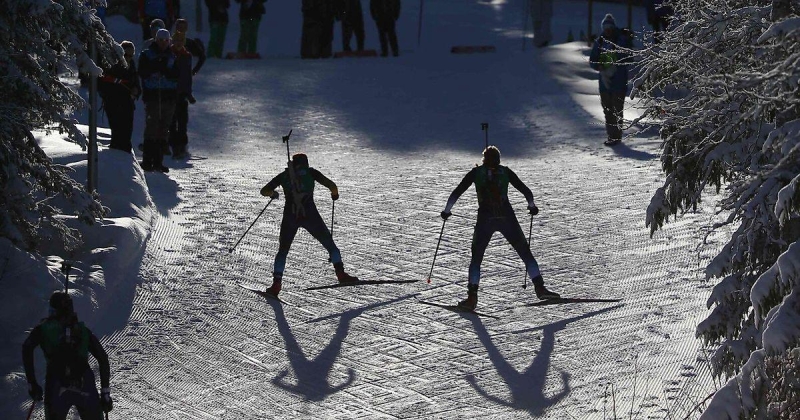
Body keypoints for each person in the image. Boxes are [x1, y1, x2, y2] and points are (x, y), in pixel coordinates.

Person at [440, 146, 560, 310]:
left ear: (484, 159)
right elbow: (527, 192)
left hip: (485, 219)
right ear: (498, 159)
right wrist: (532, 207)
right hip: (507, 218)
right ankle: (540, 287)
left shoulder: (476, 173)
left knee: (476, 259)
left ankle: (472, 297)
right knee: (525, 252)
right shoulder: (506, 172)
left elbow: (457, 192)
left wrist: (447, 211)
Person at [259, 153, 358, 296]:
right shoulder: (311, 173)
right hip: (310, 215)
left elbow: (264, 191)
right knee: (329, 244)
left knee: (283, 250)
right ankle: (341, 274)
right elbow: (332, 186)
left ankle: (276, 285)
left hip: (290, 217)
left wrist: (273, 194)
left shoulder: (284, 176)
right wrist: (334, 195)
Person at [22, 291, 112, 420]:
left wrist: (32, 383)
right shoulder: (82, 330)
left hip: (55, 384)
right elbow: (102, 358)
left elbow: (27, 348)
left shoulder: (43, 329)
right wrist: (105, 393)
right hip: (84, 382)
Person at [139, 28, 180, 172]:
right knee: (152, 127)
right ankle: (147, 160)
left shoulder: (172, 56)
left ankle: (158, 161)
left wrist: (166, 71)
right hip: (153, 96)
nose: (163, 43)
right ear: (156, 40)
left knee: (164, 128)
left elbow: (176, 75)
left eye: (166, 40)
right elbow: (143, 72)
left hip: (168, 97)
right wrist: (155, 67)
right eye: (161, 40)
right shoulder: (147, 54)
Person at [588, 13, 633, 146]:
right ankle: (611, 136)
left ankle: (616, 137)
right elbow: (592, 60)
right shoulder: (600, 41)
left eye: (609, 27)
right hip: (604, 83)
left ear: (613, 27)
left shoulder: (622, 40)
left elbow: (628, 57)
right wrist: (598, 65)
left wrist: (613, 58)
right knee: (608, 110)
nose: (607, 30)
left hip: (619, 82)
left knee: (617, 110)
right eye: (605, 27)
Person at [99, 41, 141, 153]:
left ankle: (125, 155)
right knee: (117, 132)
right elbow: (103, 84)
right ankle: (116, 154)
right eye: (126, 55)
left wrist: (136, 90)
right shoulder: (111, 65)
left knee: (127, 133)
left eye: (131, 55)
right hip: (113, 103)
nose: (128, 58)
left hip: (127, 103)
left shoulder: (132, 66)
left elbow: (136, 83)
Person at [167, 31, 194, 159]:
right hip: (170, 91)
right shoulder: (169, 54)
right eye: (176, 40)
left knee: (183, 121)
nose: (178, 43)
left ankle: (182, 145)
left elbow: (188, 76)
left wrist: (189, 92)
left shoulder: (187, 56)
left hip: (182, 93)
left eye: (181, 41)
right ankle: (174, 146)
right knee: (172, 121)